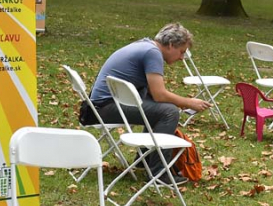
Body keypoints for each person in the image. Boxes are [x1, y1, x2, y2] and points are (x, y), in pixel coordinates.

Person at [83, 23, 209, 179]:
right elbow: (159, 95)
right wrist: (188, 102)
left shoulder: (145, 45)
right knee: (169, 112)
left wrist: (178, 101)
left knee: (161, 108)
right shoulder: (152, 53)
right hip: (103, 109)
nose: (182, 57)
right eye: (181, 51)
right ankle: (159, 173)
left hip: (96, 107)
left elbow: (153, 93)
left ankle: (145, 161)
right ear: (171, 45)